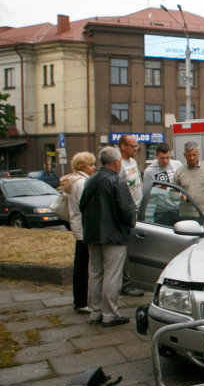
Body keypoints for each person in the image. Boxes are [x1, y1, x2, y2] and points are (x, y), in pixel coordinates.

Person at [80, 146, 135, 327]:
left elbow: (82, 206)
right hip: (113, 235)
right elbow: (126, 209)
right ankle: (110, 314)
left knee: (95, 273)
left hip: (92, 233)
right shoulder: (116, 181)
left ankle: (95, 312)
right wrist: (130, 224)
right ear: (117, 162)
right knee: (113, 275)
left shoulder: (90, 180)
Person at [61, 151, 96, 314]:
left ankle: (80, 299)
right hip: (84, 229)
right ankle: (82, 301)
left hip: (79, 227)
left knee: (81, 264)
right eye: (90, 164)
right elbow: (86, 205)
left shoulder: (74, 180)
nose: (94, 167)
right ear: (82, 167)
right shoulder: (82, 183)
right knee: (83, 267)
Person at [116, 134, 144, 297]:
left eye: (136, 146)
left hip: (137, 209)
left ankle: (133, 278)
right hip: (128, 211)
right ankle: (125, 283)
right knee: (125, 248)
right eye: (133, 146)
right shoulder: (118, 165)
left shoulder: (132, 162)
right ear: (123, 147)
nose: (136, 149)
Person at [174, 141, 204, 226]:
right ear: (184, 155)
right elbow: (172, 192)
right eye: (189, 155)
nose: (192, 158)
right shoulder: (179, 171)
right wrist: (181, 196)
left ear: (198, 154)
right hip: (185, 216)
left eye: (194, 155)